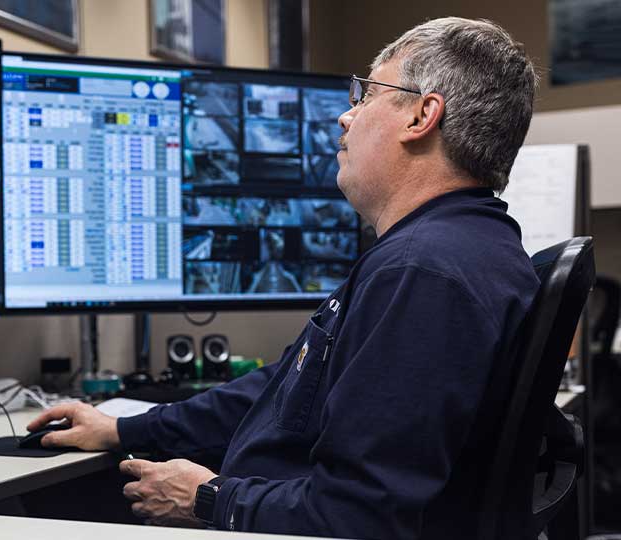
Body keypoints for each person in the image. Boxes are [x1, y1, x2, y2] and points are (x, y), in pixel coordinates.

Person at [28, 17, 540, 539]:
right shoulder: (452, 248)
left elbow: (361, 514)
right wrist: (123, 428)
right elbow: (288, 390)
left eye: (367, 95)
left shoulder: (424, 272)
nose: (346, 115)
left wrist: (209, 500)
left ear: (422, 115)